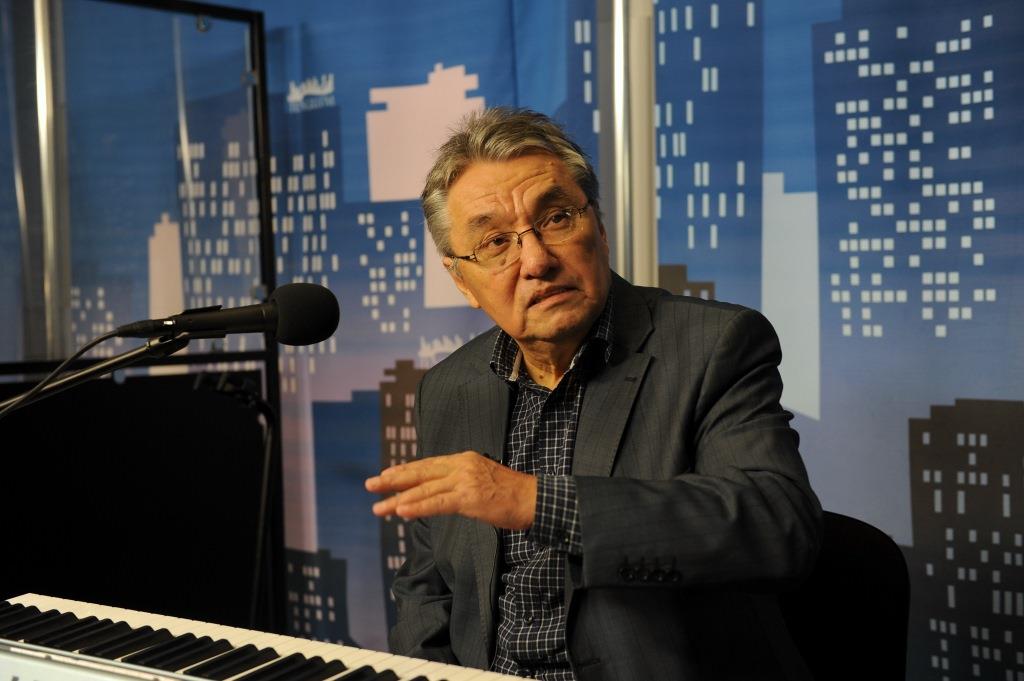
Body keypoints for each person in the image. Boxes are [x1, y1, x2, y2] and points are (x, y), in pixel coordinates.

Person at [365, 107, 822, 681]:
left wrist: (536, 502)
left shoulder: (714, 346)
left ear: (599, 229)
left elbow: (777, 528)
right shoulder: (449, 388)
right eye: (496, 242)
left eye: (556, 218)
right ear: (462, 280)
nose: (536, 261)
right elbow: (426, 590)